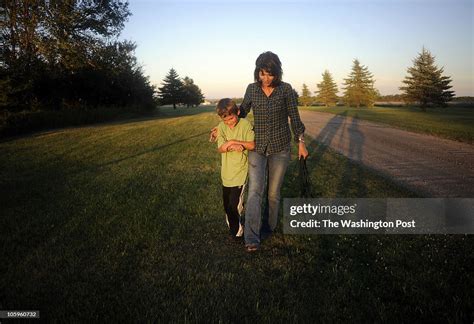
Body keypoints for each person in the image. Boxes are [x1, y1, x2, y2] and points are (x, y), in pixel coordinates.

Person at [240, 51, 308, 252]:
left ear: (277, 73)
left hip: (280, 147)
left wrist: (301, 143)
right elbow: (241, 112)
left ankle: (269, 227)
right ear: (257, 72)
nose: (266, 78)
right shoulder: (252, 89)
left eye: (270, 74)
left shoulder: (286, 90)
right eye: (262, 73)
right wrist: (224, 123)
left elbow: (294, 118)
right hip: (257, 147)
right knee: (254, 191)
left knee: (273, 193)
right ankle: (251, 237)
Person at [215, 98, 255, 240]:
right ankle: (234, 225)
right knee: (227, 206)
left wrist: (232, 142)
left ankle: (238, 233)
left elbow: (251, 145)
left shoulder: (245, 125)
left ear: (237, 112)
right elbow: (221, 148)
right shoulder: (221, 126)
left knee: (234, 206)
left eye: (231, 119)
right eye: (225, 121)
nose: (229, 123)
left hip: (239, 174)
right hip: (226, 174)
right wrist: (233, 145)